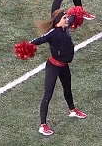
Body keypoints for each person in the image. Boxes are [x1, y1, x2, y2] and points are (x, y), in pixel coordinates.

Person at [16, 8, 88, 136]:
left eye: (66, 18)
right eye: (64, 18)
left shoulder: (66, 27)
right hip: (53, 67)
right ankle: (43, 125)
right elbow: (38, 40)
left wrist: (77, 14)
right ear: (58, 21)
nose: (67, 20)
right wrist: (26, 46)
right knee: (48, 94)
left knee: (68, 89)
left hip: (64, 66)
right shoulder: (53, 33)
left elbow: (73, 17)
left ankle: (72, 110)